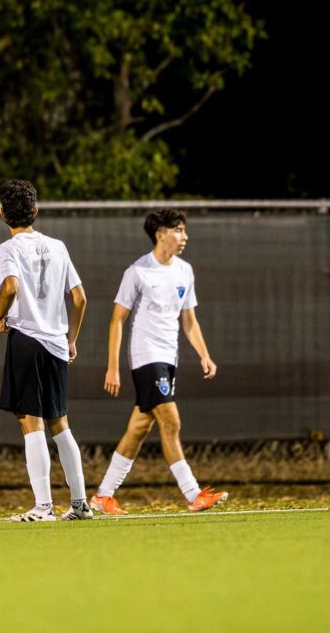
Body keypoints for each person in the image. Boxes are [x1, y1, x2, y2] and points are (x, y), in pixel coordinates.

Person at [90, 210, 228, 515]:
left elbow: (189, 320)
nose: (184, 236)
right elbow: (117, 320)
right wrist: (113, 366)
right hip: (146, 356)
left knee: (139, 427)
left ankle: (103, 496)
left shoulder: (185, 271)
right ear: (160, 233)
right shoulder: (137, 271)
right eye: (178, 230)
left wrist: (204, 355)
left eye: (184, 230)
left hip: (169, 358)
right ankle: (193, 494)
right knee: (171, 421)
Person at [0, 180, 92, 522]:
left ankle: (43, 506)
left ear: (2, 213)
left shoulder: (6, 249)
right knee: (60, 423)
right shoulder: (58, 246)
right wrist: (71, 339)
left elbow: (10, 286)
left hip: (27, 339)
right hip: (56, 343)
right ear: (35, 210)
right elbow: (80, 298)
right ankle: (80, 504)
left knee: (30, 422)